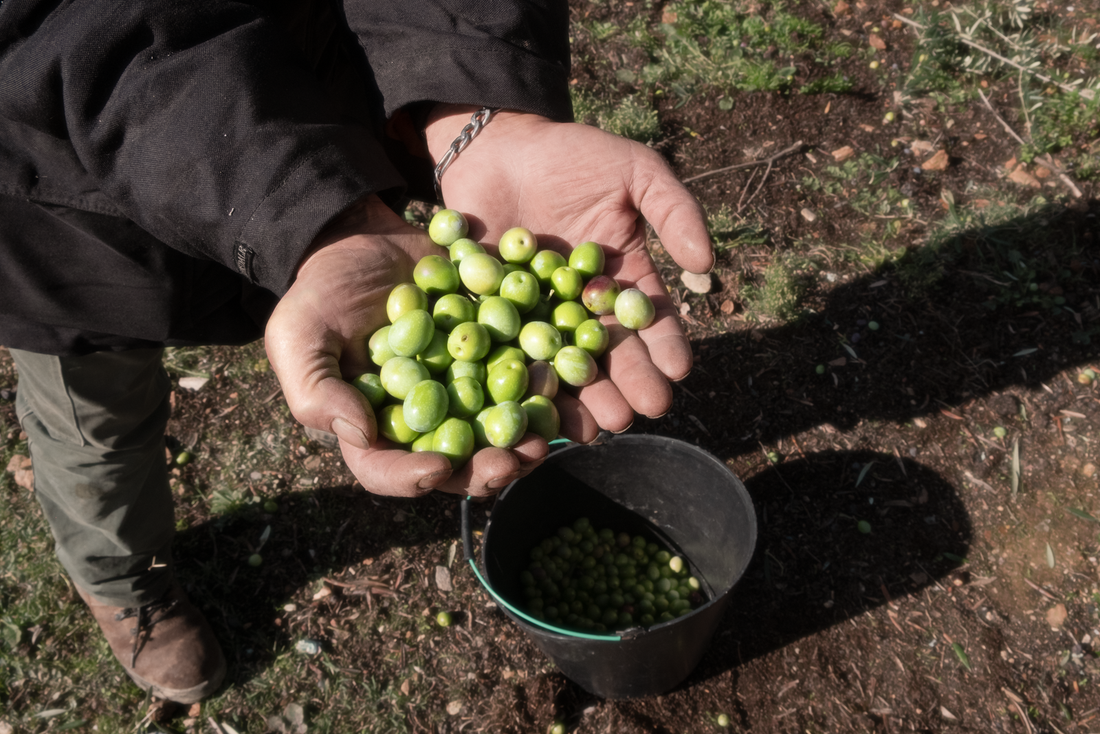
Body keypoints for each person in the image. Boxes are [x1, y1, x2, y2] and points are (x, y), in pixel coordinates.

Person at [0, 0, 714, 704]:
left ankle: (332, 341)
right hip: (75, 241)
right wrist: (295, 198)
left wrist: (471, 93)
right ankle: (124, 581)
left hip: (311, 129)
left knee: (338, 331)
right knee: (93, 426)